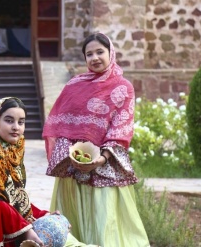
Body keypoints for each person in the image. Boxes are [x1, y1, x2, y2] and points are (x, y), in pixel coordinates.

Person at [42, 32, 150, 247]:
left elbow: (122, 125)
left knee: (104, 217)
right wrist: (70, 155)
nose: (94, 58)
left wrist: (102, 158)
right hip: (74, 165)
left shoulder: (123, 87)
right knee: (74, 215)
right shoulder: (74, 85)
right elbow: (62, 122)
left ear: (111, 53)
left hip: (105, 164)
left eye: (100, 52)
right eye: (89, 54)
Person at [0, 97, 89, 247]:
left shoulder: (12, 148)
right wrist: (25, 229)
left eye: (21, 122)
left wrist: (42, 215)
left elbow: (12, 196)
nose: (16, 127)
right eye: (9, 120)